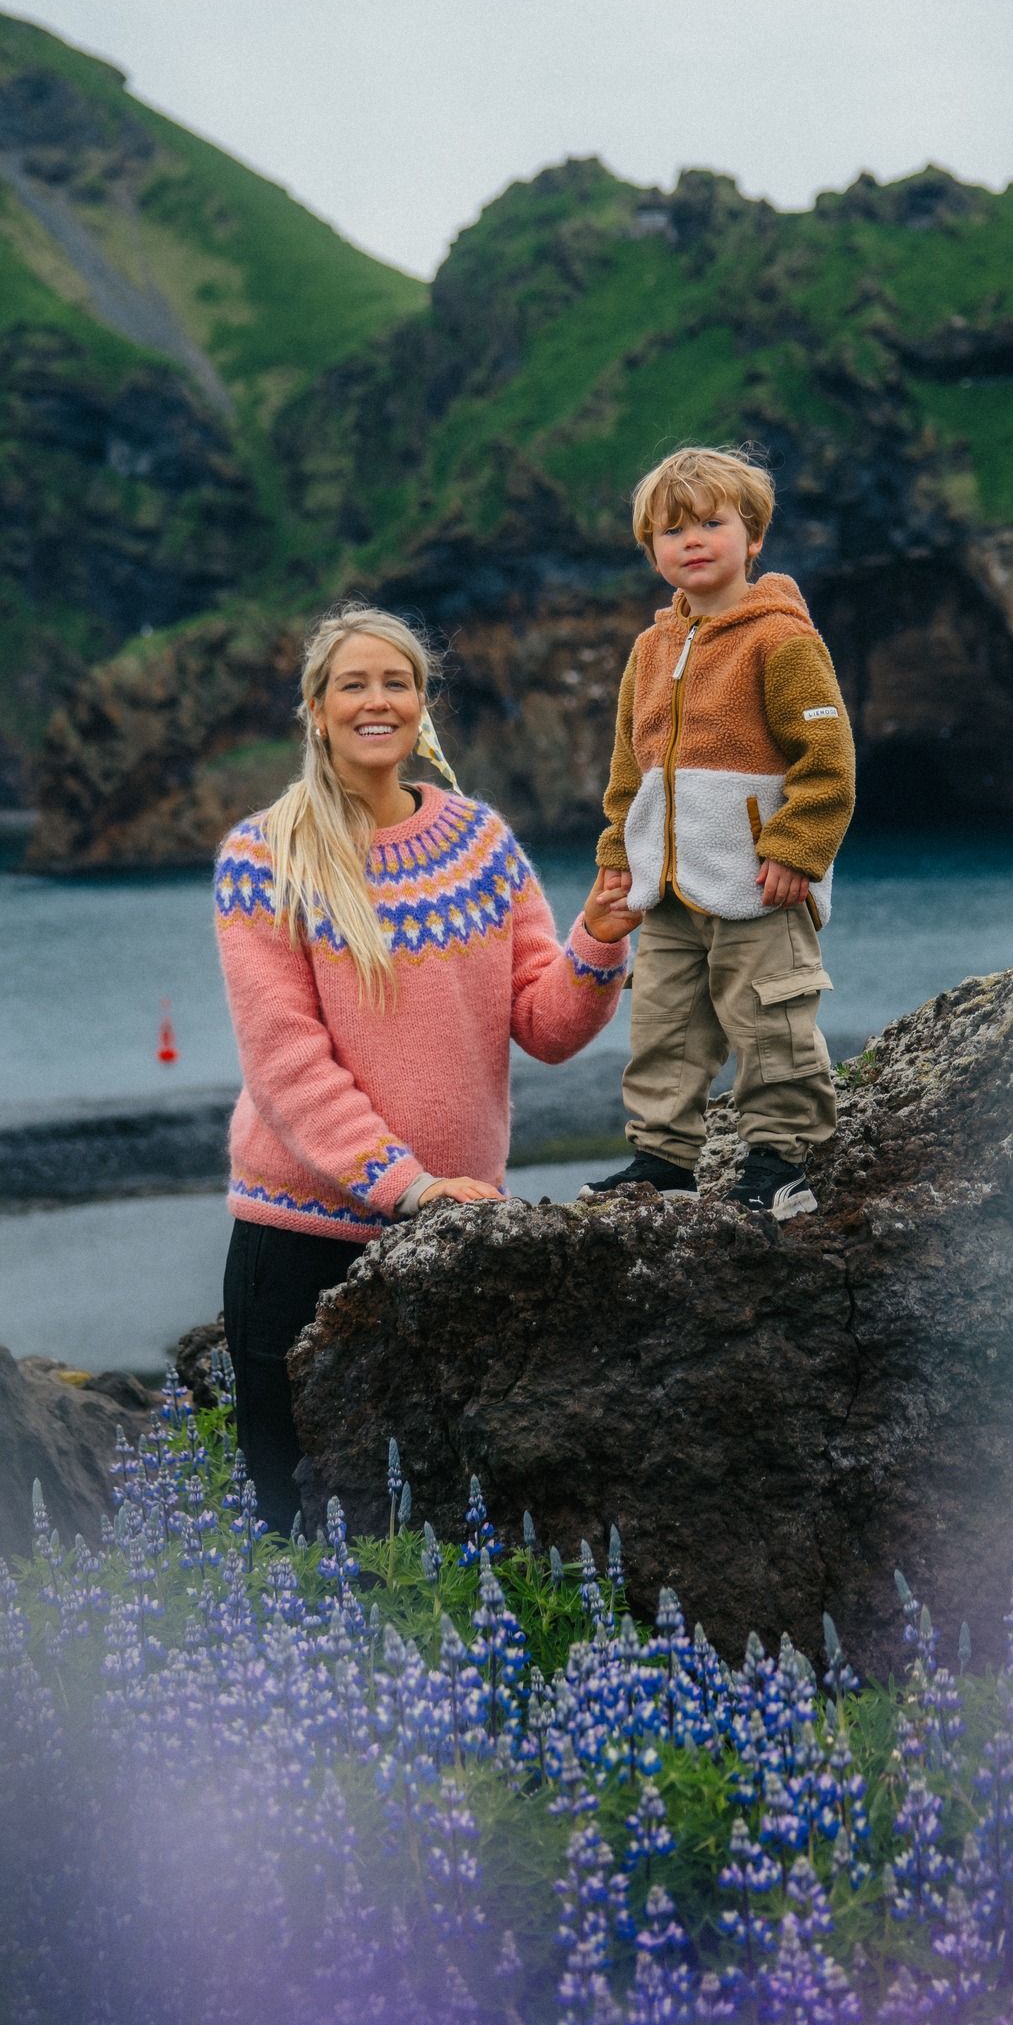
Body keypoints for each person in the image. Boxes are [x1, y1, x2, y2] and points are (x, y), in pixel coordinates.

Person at [212, 603, 639, 1529]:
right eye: (353, 685)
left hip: (447, 1238)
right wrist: (406, 1185)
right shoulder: (264, 857)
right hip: (301, 1241)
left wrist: (599, 939)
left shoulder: (480, 844)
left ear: (422, 704)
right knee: (294, 1530)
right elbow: (288, 1063)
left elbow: (545, 1021)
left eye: (396, 682)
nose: (378, 701)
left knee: (437, 1532)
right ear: (316, 711)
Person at [583, 445, 856, 1222]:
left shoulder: (782, 640)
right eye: (673, 531)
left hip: (759, 886)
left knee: (771, 1019)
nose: (692, 540)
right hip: (667, 890)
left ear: (754, 535)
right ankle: (664, 1160)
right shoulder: (650, 649)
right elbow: (628, 774)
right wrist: (617, 860)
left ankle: (781, 1161)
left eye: (711, 522)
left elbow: (828, 759)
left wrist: (797, 849)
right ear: (652, 551)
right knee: (663, 1025)